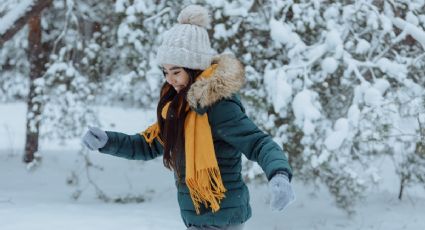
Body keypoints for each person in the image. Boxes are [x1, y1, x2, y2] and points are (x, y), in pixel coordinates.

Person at [82, 5, 295, 230]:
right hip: (197, 219)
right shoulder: (179, 109)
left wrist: (278, 174)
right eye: (165, 72)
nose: (170, 80)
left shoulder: (217, 106)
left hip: (223, 219)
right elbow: (147, 145)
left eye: (176, 72)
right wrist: (107, 141)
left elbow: (258, 143)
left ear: (194, 68)